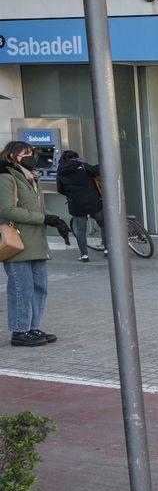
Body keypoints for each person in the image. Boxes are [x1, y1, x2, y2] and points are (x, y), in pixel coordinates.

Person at [0, 142, 70, 347]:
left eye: (32, 152)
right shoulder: (7, 177)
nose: (31, 156)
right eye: (25, 153)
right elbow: (6, 210)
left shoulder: (31, 177)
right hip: (17, 242)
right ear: (12, 156)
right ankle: (19, 331)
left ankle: (33, 327)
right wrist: (43, 219)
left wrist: (55, 219)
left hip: (36, 242)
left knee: (39, 287)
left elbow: (37, 207)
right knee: (22, 288)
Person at [55, 150, 106, 262]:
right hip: (92, 201)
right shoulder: (82, 165)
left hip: (76, 203)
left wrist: (71, 194)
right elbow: (96, 170)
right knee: (103, 224)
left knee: (81, 230)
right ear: (76, 158)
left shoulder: (60, 171)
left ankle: (84, 255)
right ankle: (107, 249)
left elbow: (60, 189)